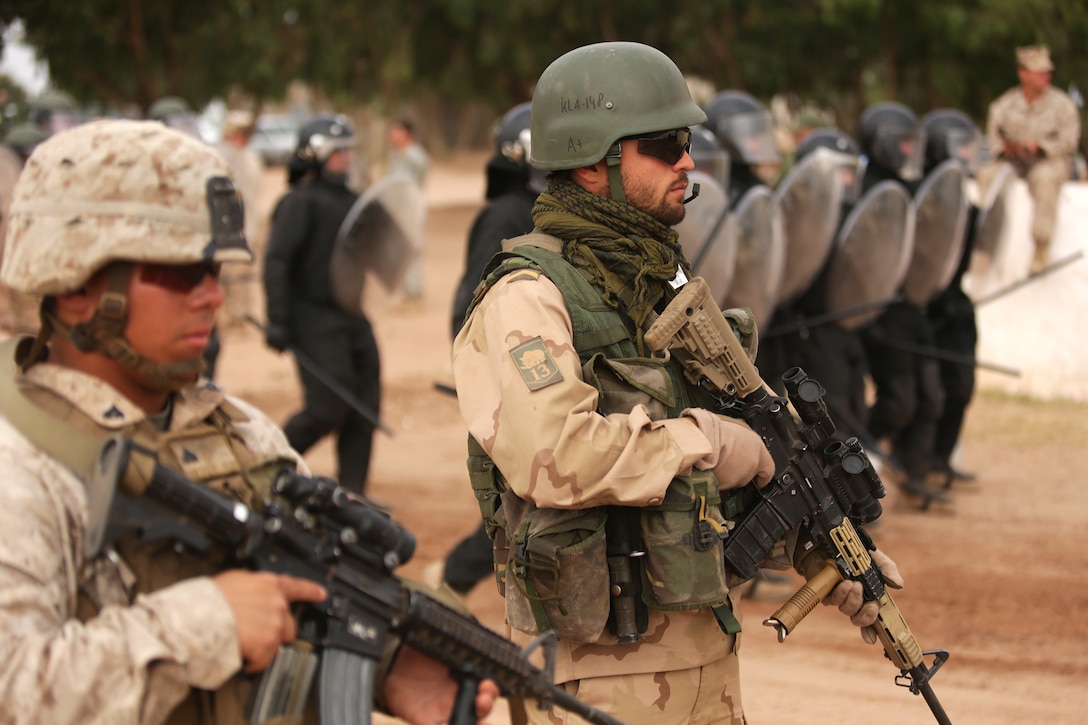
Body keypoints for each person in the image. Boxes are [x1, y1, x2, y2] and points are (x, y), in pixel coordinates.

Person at [452, 41, 900, 722]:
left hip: (704, 656)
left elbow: (739, 464)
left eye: (686, 140)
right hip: (595, 674)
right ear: (588, 161)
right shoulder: (528, 294)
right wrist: (710, 440)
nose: (687, 160)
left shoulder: (660, 277)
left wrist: (818, 545)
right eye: (664, 144)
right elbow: (557, 455)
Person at [0, 119, 497, 725]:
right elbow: (15, 687)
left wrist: (386, 669)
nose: (212, 297)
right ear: (78, 287)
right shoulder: (22, 464)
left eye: (215, 271)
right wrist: (208, 622)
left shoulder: (237, 432)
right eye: (181, 273)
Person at [427, 101, 542, 599]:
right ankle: (448, 581)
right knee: (520, 495)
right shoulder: (504, 213)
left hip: (538, 377)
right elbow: (469, 307)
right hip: (511, 382)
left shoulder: (541, 210)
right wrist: (491, 377)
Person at [263, 114, 382, 495]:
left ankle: (353, 493)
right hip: (310, 317)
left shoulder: (354, 203)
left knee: (364, 407)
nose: (345, 159)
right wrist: (278, 319)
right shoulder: (298, 203)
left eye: (348, 151)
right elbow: (277, 261)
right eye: (337, 152)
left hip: (351, 316)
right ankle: (266, 470)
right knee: (326, 408)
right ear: (313, 154)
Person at [855, 102, 952, 506]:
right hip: (879, 313)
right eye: (901, 144)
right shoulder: (864, 192)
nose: (908, 152)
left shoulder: (913, 189)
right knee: (898, 402)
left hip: (913, 310)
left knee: (931, 397)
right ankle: (858, 459)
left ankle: (915, 473)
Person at [922, 109, 985, 486]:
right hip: (926, 307)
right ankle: (919, 461)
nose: (965, 154)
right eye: (958, 146)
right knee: (929, 393)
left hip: (955, 305)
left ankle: (940, 459)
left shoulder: (966, 205)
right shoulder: (922, 206)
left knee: (960, 386)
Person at [985, 44, 1081, 273]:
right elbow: (993, 138)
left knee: (1045, 178)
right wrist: (1007, 150)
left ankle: (1041, 247)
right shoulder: (1004, 105)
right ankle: (985, 243)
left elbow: (1069, 141)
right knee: (987, 176)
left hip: (1049, 161)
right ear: (1023, 73)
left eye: (1047, 72)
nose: (1045, 76)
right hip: (1014, 163)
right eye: (1039, 72)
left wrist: (1040, 147)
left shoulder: (1062, 105)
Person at [385, 117, 430, 299]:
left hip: (411, 206)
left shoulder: (415, 157)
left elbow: (413, 183)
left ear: (407, 134)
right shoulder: (395, 156)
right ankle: (404, 288)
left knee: (412, 246)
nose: (392, 135)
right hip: (397, 206)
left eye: (397, 131)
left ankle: (414, 290)